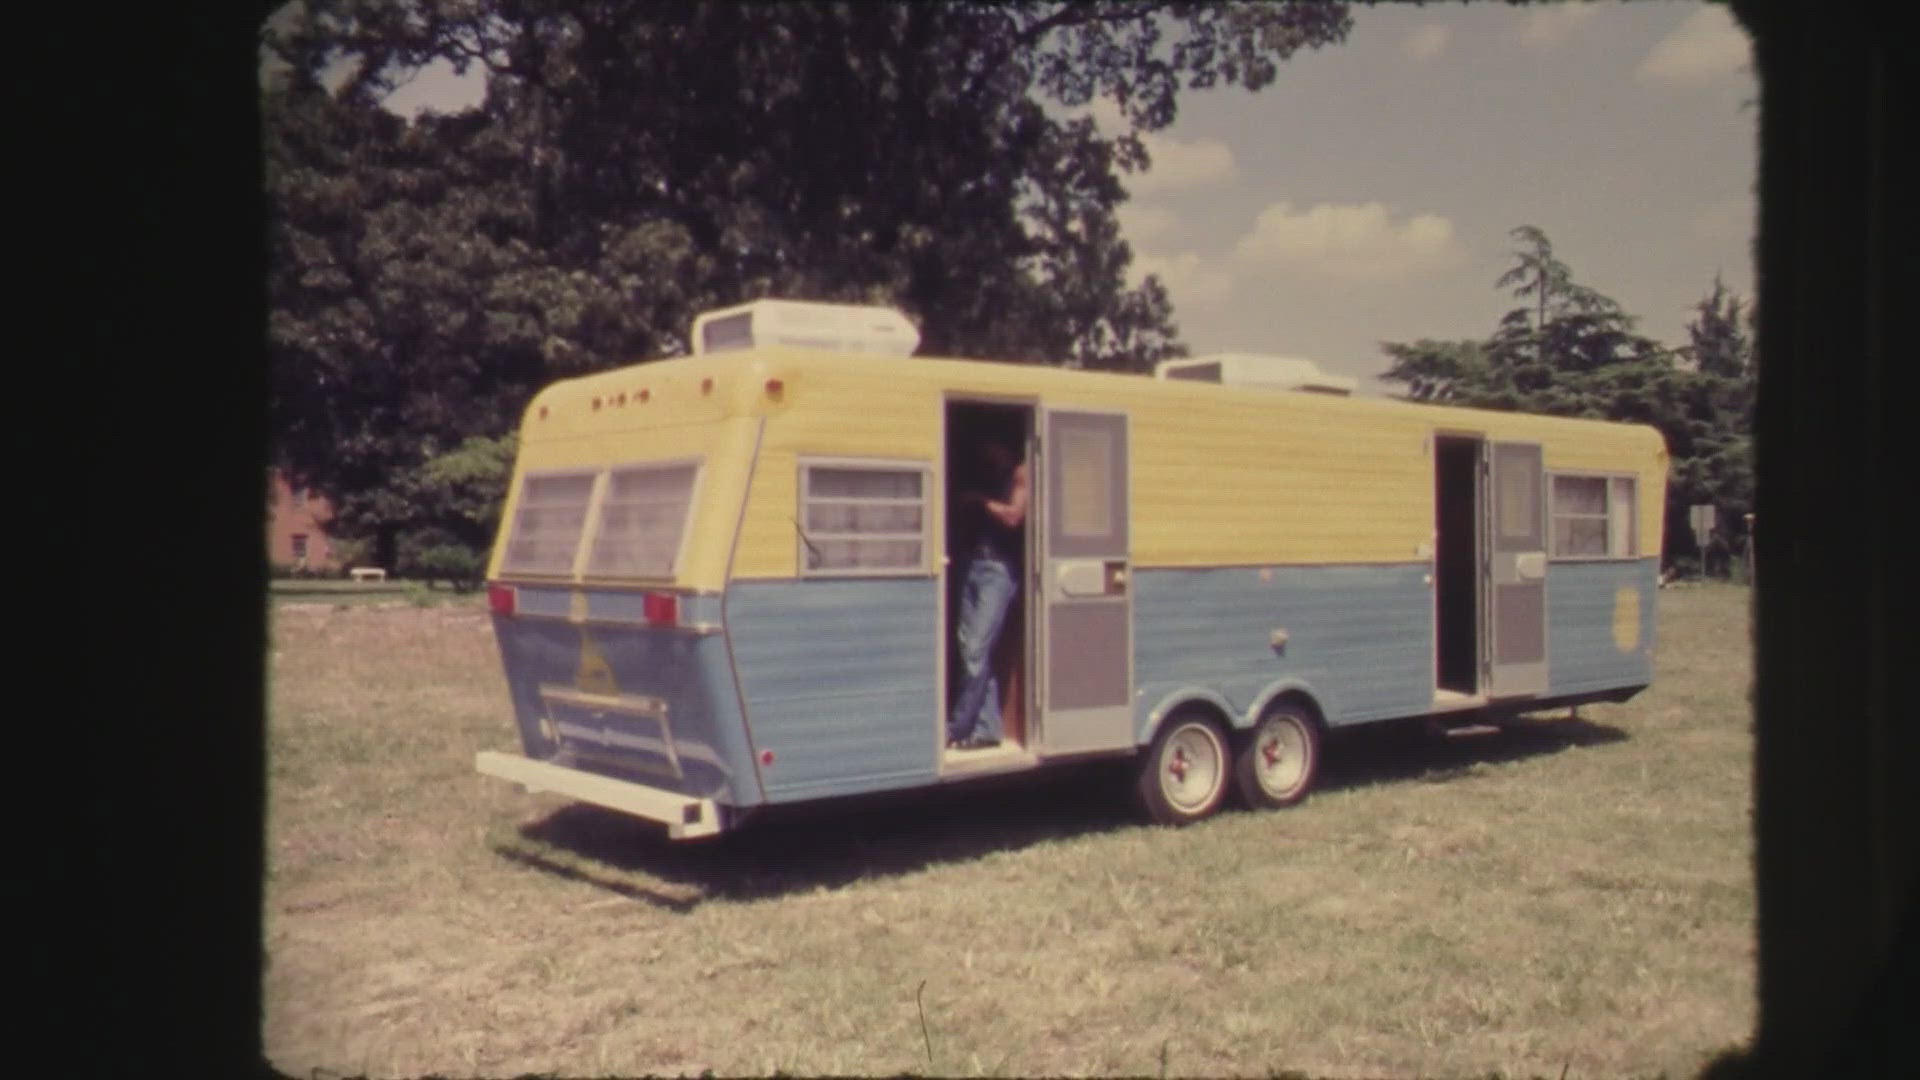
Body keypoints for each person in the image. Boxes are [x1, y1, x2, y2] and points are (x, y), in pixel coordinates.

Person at [948, 437, 1027, 749]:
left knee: (977, 651)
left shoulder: (1021, 475)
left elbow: (1013, 516)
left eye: (992, 447)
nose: (988, 452)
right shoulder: (981, 476)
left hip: (997, 571)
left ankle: (958, 726)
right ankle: (987, 729)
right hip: (971, 564)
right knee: (971, 651)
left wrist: (980, 503)